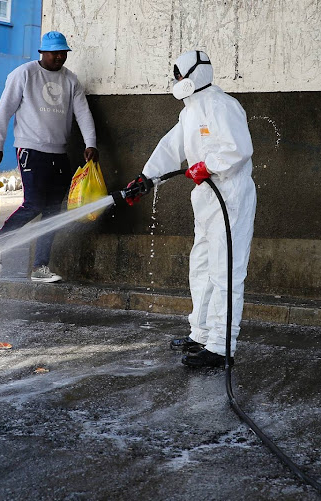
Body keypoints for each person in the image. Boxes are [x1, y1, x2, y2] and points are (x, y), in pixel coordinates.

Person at [120, 50, 257, 368]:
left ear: (195, 74)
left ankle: (222, 347)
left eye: (179, 75)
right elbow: (171, 146)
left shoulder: (223, 106)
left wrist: (207, 165)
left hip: (230, 199)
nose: (177, 81)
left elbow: (240, 147)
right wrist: (145, 179)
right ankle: (202, 333)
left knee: (226, 272)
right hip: (207, 200)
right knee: (202, 267)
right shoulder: (190, 110)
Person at [0, 31, 99, 283]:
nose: (59, 57)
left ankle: (40, 267)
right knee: (34, 204)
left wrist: (91, 143)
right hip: (30, 150)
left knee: (53, 211)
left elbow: (83, 113)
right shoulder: (24, 74)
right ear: (42, 52)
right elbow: (4, 111)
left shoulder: (71, 80)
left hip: (59, 153)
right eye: (54, 52)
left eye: (63, 53)